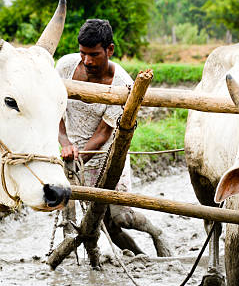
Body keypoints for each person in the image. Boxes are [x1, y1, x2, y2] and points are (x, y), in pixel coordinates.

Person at [56, 19, 171, 257]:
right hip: (72, 154)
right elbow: (53, 108)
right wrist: (65, 143)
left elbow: (102, 134)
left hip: (107, 155)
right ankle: (142, 259)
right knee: (99, 223)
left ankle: (157, 233)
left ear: (110, 50)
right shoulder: (65, 67)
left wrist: (77, 161)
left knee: (120, 217)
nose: (87, 61)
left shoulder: (123, 85)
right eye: (83, 53)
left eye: (94, 54)